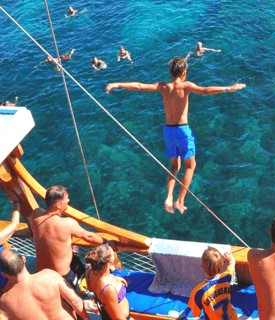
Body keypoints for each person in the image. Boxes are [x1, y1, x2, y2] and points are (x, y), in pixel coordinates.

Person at [105, 57, 246, 214]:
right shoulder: (185, 86)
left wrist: (117, 84)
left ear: (171, 72)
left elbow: (139, 86)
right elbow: (206, 91)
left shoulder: (163, 86)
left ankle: (169, 197)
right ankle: (180, 201)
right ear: (184, 73)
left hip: (169, 130)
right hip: (182, 130)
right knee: (191, 166)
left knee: (174, 166)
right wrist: (230, 88)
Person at [30, 185, 114, 292]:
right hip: (63, 276)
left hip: (41, 271)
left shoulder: (36, 214)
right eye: (66, 199)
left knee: (72, 245)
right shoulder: (67, 223)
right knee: (89, 270)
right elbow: (89, 236)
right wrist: (107, 242)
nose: (68, 200)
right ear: (58, 204)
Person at [0, 249, 88, 320]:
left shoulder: (5, 301)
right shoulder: (49, 275)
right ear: (24, 259)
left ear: (3, 274)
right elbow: (76, 302)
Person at [182, 248, 237, 320]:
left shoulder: (198, 292)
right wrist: (231, 261)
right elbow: (231, 266)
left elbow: (196, 314)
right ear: (222, 265)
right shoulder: (227, 277)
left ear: (202, 267)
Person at [85, 244, 133, 320]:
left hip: (105, 312)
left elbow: (90, 289)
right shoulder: (109, 289)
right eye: (113, 254)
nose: (115, 256)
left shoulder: (90, 270)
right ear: (110, 262)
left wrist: (116, 279)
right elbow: (117, 318)